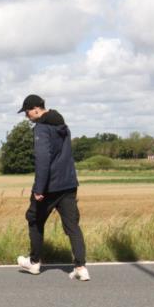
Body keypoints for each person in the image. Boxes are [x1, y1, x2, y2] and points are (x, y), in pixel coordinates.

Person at [15, 94, 89, 281]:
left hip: (49, 186)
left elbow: (43, 159)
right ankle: (81, 267)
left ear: (37, 109)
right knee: (72, 226)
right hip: (69, 183)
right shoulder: (63, 125)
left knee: (34, 219)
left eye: (27, 111)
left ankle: (34, 262)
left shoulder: (41, 128)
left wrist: (39, 189)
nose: (26, 116)